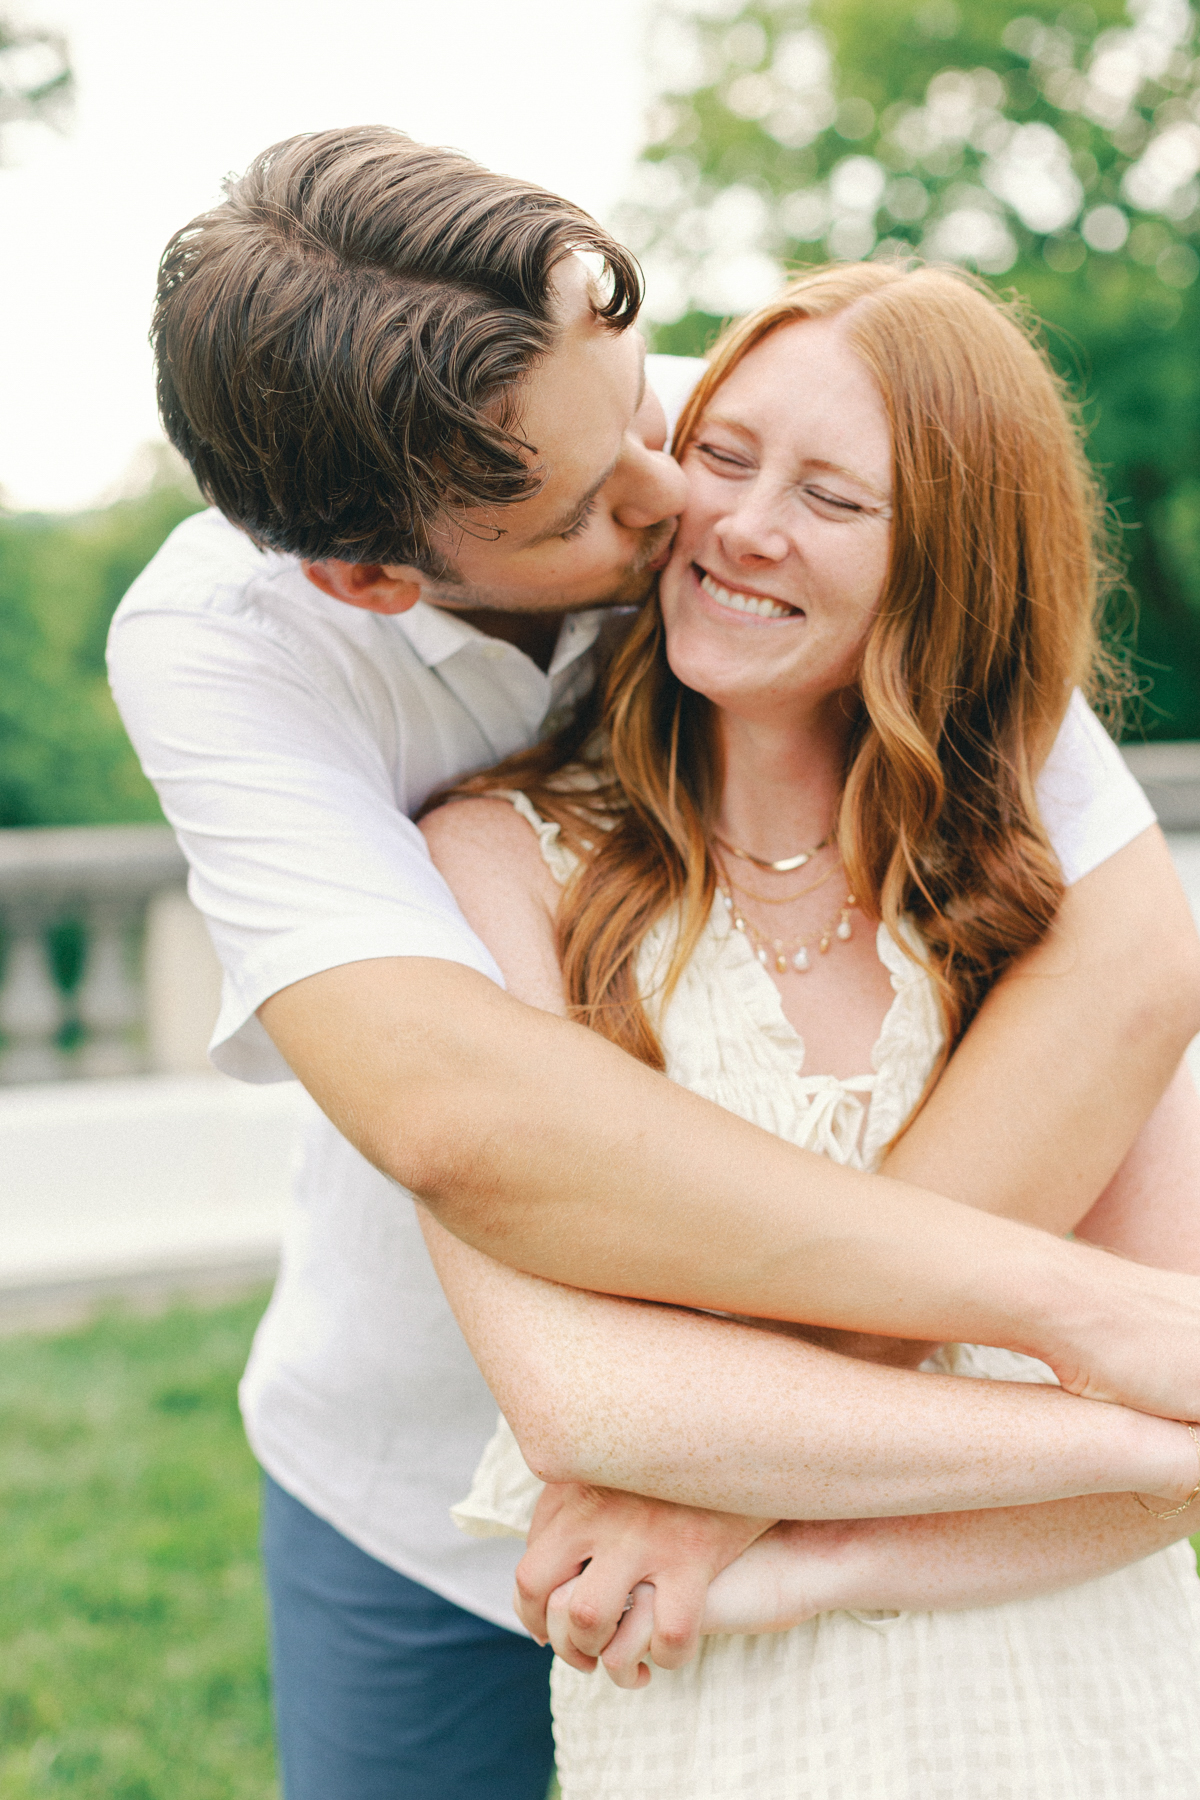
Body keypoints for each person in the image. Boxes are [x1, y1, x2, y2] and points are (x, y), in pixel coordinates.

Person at [108, 127, 1200, 1800]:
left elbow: (1129, 955)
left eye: (639, 404)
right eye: (592, 498)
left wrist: (745, 1461)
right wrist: (1075, 1317)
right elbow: (467, 1119)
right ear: (368, 574)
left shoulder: (750, 453)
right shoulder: (231, 651)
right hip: (411, 1492)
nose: (683, 488)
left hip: (880, 1480)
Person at [423, 261, 1200, 1798]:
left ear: (952, 565)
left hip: (1081, 1699)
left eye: (836, 498)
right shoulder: (496, 867)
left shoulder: (1056, 912)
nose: (743, 526)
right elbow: (595, 1411)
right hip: (717, 1730)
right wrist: (1155, 1445)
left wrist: (793, 1554)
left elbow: (1160, 1400)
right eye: (723, 455)